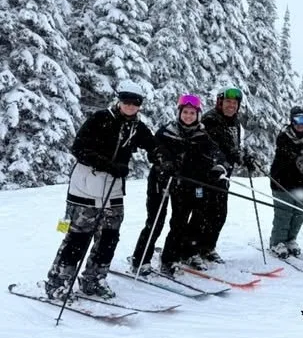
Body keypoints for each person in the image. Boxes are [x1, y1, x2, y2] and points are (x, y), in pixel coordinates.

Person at [45, 80, 156, 299]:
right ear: (119, 100)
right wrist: (107, 164)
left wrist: (162, 159)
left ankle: (93, 279)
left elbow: (153, 146)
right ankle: (58, 281)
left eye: (135, 103)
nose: (130, 106)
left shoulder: (136, 127)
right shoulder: (100, 119)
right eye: (126, 101)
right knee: (78, 237)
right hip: (85, 186)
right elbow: (78, 148)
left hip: (113, 189)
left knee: (109, 237)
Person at [136, 94, 227, 276]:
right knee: (155, 222)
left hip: (184, 185)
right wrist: (164, 162)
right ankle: (141, 260)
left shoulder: (202, 135)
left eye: (192, 113)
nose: (188, 116)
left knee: (179, 223)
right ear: (179, 113)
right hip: (161, 182)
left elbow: (217, 153)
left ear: (198, 115)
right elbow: (154, 152)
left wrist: (218, 166)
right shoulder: (166, 132)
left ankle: (170, 259)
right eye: (185, 112)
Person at [193, 86, 254, 263]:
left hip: (223, 177)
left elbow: (233, 147)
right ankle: (193, 250)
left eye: (235, 103)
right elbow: (214, 147)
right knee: (201, 214)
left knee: (219, 214)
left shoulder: (235, 122)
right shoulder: (210, 120)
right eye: (228, 102)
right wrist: (232, 157)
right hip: (205, 176)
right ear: (220, 102)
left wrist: (245, 156)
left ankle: (208, 248)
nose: (231, 106)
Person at [268, 105, 303, 258]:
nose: (300, 123)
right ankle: (277, 241)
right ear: (291, 121)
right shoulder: (284, 137)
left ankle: (290, 239)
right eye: (296, 119)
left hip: (301, 183)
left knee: (300, 212)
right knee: (284, 212)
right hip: (282, 180)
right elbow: (286, 152)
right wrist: (298, 159)